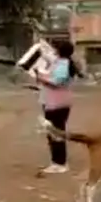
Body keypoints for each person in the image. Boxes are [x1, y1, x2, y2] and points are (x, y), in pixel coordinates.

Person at [35, 40, 80, 174]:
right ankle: (58, 162)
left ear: (59, 50)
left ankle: (59, 163)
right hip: (57, 102)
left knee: (55, 133)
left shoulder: (62, 64)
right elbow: (48, 58)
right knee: (55, 132)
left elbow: (57, 82)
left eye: (55, 48)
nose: (53, 50)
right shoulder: (63, 62)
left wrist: (41, 78)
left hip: (56, 103)